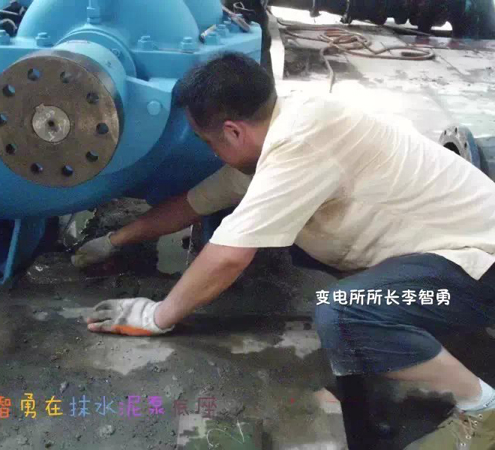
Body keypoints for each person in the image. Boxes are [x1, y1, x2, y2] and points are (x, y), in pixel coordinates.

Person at [76, 52, 495, 449]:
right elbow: (193, 203)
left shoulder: (301, 142)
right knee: (309, 257)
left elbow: (229, 256)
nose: (211, 153)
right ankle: (381, 349)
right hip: (442, 253)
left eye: (208, 142)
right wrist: (113, 241)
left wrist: (155, 316)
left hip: (480, 266)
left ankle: (482, 409)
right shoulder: (282, 129)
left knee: (343, 312)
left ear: (233, 131)